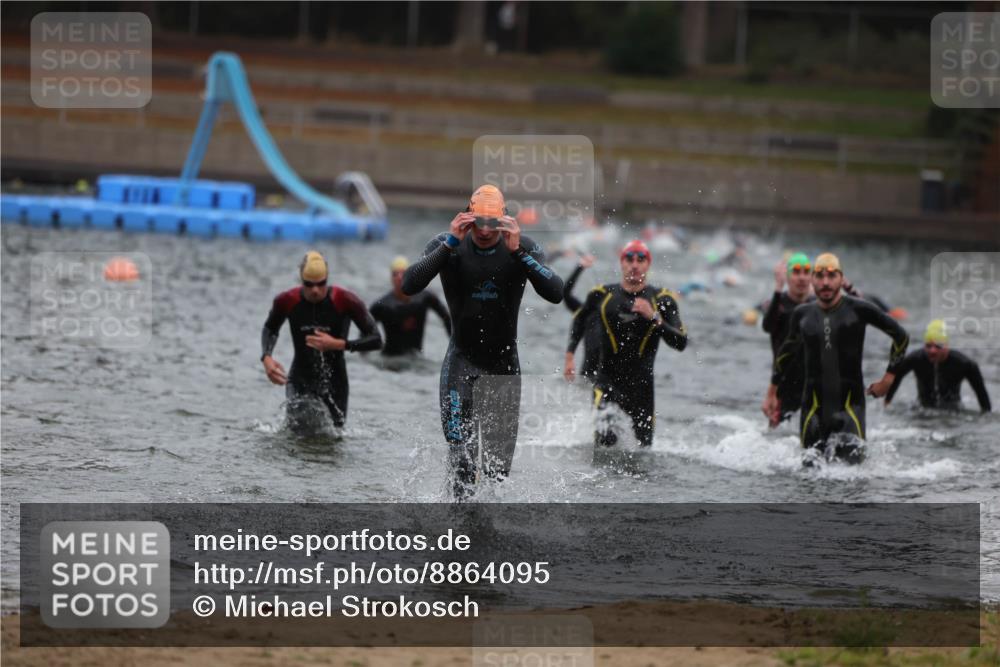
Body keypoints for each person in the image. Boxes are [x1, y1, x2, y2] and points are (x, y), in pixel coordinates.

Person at [401, 185, 564, 500]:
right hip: (461, 361)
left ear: (504, 219)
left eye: (493, 223)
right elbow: (409, 284)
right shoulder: (447, 244)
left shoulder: (523, 245)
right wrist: (450, 243)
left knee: (497, 473)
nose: (486, 231)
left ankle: (487, 539)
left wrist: (518, 252)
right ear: (468, 216)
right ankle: (458, 536)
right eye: (479, 222)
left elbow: (556, 292)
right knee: (461, 459)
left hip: (503, 366)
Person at [763, 253, 909, 464]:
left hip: (850, 408)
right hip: (812, 409)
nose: (825, 283)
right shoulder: (802, 314)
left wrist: (888, 379)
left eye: (832, 276)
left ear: (841, 279)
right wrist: (772, 393)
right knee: (808, 476)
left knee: (852, 476)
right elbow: (785, 353)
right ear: (813, 280)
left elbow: (901, 336)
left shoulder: (860, 309)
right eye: (820, 276)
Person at [565, 240, 688, 448]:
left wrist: (654, 317)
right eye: (629, 258)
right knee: (604, 447)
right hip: (606, 383)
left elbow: (681, 342)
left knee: (644, 451)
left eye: (641, 259)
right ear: (621, 262)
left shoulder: (662, 299)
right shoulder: (602, 294)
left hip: (642, 389)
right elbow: (579, 319)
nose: (634, 264)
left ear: (648, 264)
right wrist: (569, 355)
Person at [261, 251, 382, 429]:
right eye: (309, 285)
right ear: (301, 280)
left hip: (336, 382)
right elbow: (270, 328)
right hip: (300, 378)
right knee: (297, 430)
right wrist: (267, 357)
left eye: (321, 284)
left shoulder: (345, 300)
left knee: (334, 437)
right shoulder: (286, 300)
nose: (315, 290)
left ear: (327, 278)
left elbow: (376, 339)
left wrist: (338, 344)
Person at [884, 319, 991, 412]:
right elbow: (896, 378)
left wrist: (985, 418)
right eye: (928, 346)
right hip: (922, 410)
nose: (932, 350)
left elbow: (981, 394)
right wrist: (887, 402)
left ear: (947, 346)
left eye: (938, 346)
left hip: (952, 412)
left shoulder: (965, 364)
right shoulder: (915, 359)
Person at [760, 252, 815, 426]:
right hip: (783, 386)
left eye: (806, 272)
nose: (802, 278)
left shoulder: (817, 306)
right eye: (797, 272)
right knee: (776, 437)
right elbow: (767, 326)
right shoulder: (778, 304)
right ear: (788, 276)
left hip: (813, 384)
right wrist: (778, 287)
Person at [370, 256, 451, 356]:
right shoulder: (381, 305)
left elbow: (447, 318)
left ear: (409, 275)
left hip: (416, 358)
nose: (399, 278)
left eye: (403, 273)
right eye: (395, 274)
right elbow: (366, 333)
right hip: (390, 361)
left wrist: (455, 347)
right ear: (391, 278)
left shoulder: (424, 298)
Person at [562, 253, 601, 382]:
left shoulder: (614, 315)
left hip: (610, 375)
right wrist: (580, 267)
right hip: (587, 376)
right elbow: (565, 293)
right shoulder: (586, 312)